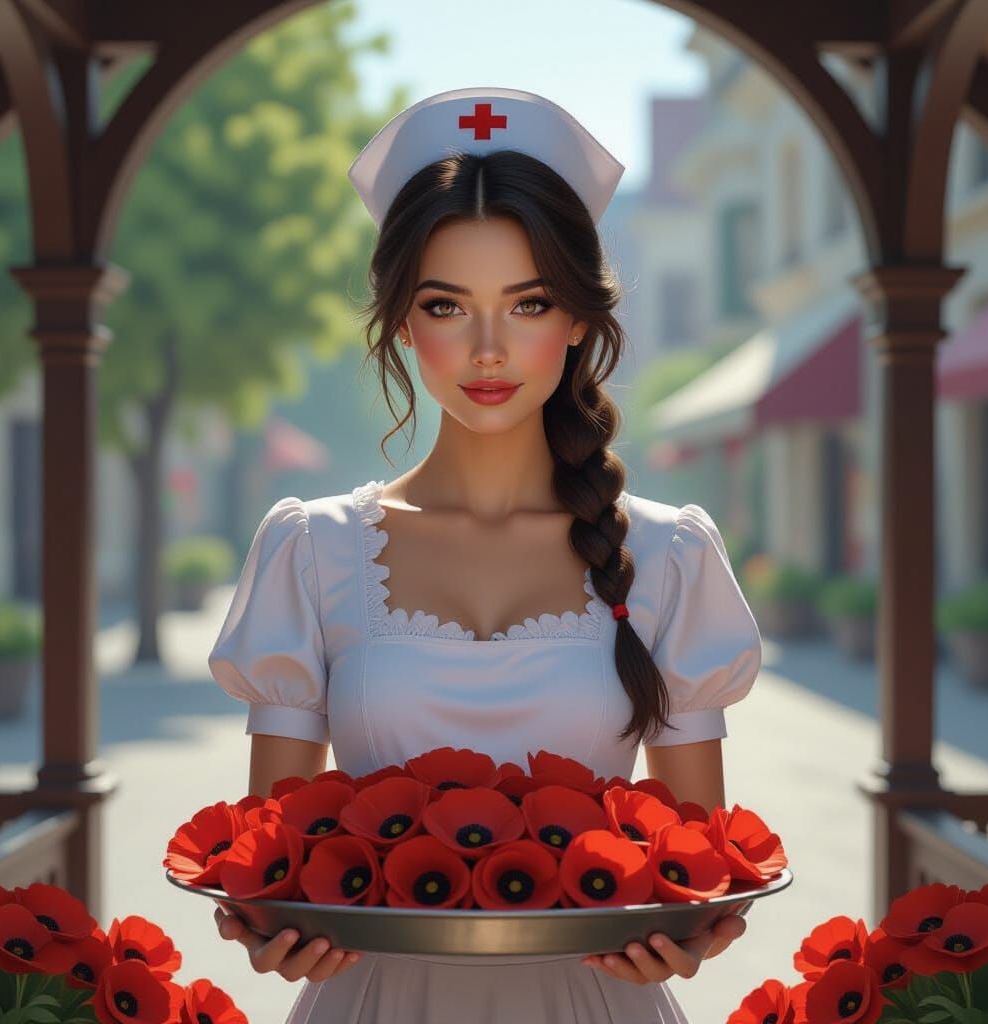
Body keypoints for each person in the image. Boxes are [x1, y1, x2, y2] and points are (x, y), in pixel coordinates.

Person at [207, 86, 763, 1024]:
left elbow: (701, 862)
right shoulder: (311, 551)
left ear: (580, 318)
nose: (490, 348)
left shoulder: (670, 556)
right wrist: (271, 928)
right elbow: (281, 858)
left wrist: (693, 932)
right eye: (447, 305)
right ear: (400, 322)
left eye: (529, 302)